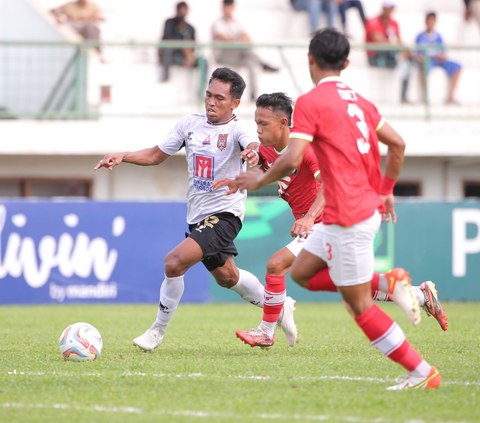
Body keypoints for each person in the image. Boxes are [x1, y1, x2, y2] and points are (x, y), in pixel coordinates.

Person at [233, 29, 442, 390]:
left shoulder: (311, 103)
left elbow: (295, 158)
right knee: (301, 273)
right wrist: (387, 189)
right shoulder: (361, 102)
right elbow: (398, 144)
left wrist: (257, 181)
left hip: (345, 214)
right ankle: (398, 288)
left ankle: (423, 372)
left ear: (310, 60)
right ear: (346, 63)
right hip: (357, 209)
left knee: (358, 305)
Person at [214, 93, 447, 348]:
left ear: (283, 123)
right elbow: (265, 163)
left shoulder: (307, 150)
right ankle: (419, 295)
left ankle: (266, 331)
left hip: (330, 221)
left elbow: (329, 183)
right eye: (256, 123)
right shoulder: (269, 150)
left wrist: (309, 218)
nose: (257, 131)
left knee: (276, 264)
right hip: (326, 224)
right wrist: (239, 180)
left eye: (264, 124)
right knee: (351, 286)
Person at [93, 67, 297, 351]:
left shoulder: (239, 128)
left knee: (174, 262)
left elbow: (252, 144)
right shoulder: (189, 124)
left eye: (220, 98)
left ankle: (156, 331)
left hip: (226, 215)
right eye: (208, 95)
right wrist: (123, 155)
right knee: (228, 278)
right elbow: (155, 155)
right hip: (198, 216)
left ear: (235, 103)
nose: (211, 102)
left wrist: (252, 152)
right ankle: (278, 304)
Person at [211, 0, 278, 101]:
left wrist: (240, 41)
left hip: (238, 55)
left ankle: (253, 95)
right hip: (223, 54)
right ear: (223, 7)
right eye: (226, 7)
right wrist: (237, 42)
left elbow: (246, 37)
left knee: (251, 63)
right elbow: (223, 38)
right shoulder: (218, 23)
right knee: (244, 48)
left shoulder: (236, 23)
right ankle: (262, 63)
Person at [365, 0, 412, 103]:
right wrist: (397, 48)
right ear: (383, 8)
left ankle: (403, 96)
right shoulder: (373, 21)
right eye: (388, 7)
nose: (390, 10)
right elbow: (378, 40)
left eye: (392, 7)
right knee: (399, 58)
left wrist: (406, 51)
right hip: (376, 56)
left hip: (390, 54)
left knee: (409, 61)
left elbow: (399, 41)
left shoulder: (394, 23)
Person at [415, 12, 462, 105]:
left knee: (457, 67)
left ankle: (451, 97)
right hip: (428, 61)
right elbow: (418, 54)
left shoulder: (438, 36)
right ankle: (425, 97)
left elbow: (443, 52)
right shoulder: (420, 37)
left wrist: (440, 55)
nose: (431, 22)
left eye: (433, 20)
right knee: (423, 68)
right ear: (426, 21)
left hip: (438, 60)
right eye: (429, 20)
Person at [158, 2, 200, 83]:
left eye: (184, 11)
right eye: (181, 11)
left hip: (184, 57)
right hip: (172, 55)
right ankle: (165, 78)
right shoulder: (169, 23)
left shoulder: (190, 28)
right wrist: (182, 46)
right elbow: (168, 39)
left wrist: (188, 53)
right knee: (167, 50)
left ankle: (203, 85)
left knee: (202, 61)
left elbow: (193, 45)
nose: (182, 14)